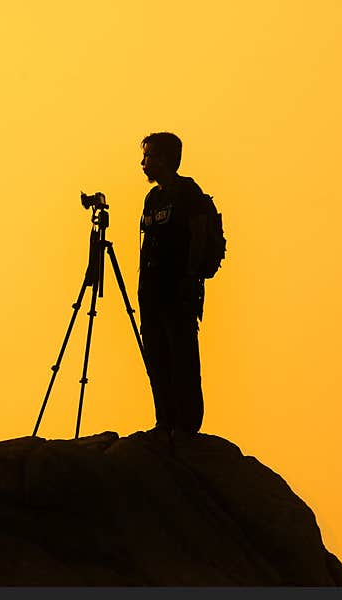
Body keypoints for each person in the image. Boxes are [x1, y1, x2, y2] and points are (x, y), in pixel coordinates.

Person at [138, 132, 209, 441]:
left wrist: (190, 279)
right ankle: (164, 420)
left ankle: (186, 424)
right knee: (156, 356)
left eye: (149, 157)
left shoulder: (188, 193)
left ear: (165, 159)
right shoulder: (152, 199)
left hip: (178, 290)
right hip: (151, 292)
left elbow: (201, 236)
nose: (143, 163)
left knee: (181, 356)